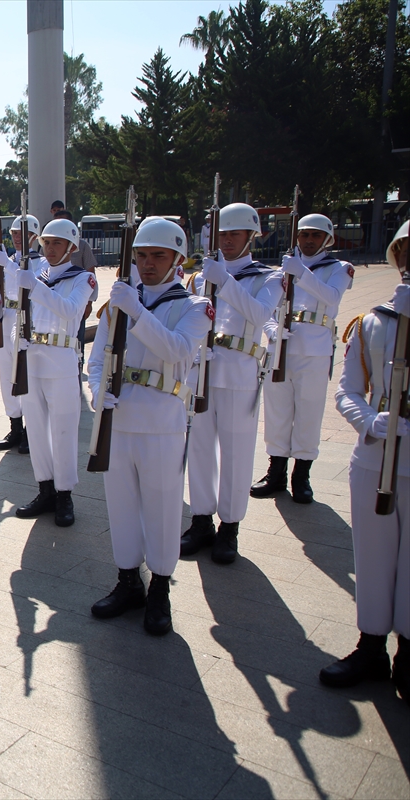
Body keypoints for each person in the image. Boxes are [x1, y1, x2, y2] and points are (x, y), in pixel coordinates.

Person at [87, 217, 211, 636]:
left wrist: (136, 310)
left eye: (158, 255)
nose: (147, 263)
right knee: (120, 506)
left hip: (161, 420)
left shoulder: (193, 308)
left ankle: (160, 588)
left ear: (178, 259)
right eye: (141, 255)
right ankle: (127, 581)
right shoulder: (119, 300)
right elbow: (99, 358)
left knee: (161, 508)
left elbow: (176, 351)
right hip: (118, 418)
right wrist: (96, 391)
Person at [321, 220, 409, 703]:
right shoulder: (372, 322)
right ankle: (371, 644)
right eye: (407, 253)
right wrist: (371, 423)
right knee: (373, 559)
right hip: (374, 458)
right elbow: (348, 391)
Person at [181, 203, 284, 564]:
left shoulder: (267, 278)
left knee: (237, 455)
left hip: (239, 373)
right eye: (221, 234)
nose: (225, 241)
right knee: (199, 449)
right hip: (201, 372)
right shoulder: (198, 276)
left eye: (233, 234)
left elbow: (260, 314)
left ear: (252, 236)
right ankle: (201, 519)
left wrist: (223, 280)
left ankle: (230, 527)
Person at [251, 214, 353, 503]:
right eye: (304, 235)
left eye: (316, 236)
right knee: (277, 412)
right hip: (281, 350)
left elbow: (331, 297)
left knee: (308, 413)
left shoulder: (338, 268)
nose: (309, 241)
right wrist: (271, 330)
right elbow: (268, 309)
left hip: (314, 350)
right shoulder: (283, 268)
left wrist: (301, 274)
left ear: (327, 240)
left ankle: (302, 475)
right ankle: (276, 472)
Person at [13, 217, 96, 528]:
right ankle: (44, 488)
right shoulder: (35, 274)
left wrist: (34, 287)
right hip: (32, 360)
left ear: (71, 247)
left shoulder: (82, 279)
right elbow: (21, 316)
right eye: (46, 242)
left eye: (56, 243)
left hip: (61, 361)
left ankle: (64, 494)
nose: (49, 248)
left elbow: (72, 311)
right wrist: (16, 343)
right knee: (35, 429)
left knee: (62, 431)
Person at [0, 213, 44, 454]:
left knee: (26, 375)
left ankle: (33, 430)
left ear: (34, 236)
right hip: (5, 318)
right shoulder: (7, 260)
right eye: (13, 234)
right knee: (6, 376)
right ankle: (15, 426)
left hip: (26, 320)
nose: (17, 238)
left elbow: (30, 283)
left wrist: (7, 265)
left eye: (21, 234)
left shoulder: (41, 263)